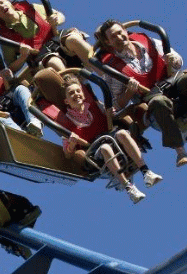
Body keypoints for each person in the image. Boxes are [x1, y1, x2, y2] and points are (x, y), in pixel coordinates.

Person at [94, 18, 187, 167]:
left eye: (120, 33)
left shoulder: (146, 40)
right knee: (159, 102)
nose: (119, 38)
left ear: (125, 31)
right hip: (151, 99)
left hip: (171, 83)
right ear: (108, 43)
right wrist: (128, 92)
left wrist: (174, 61)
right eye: (113, 37)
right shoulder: (112, 69)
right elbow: (117, 104)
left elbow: (176, 59)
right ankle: (180, 151)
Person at [38, 70, 157, 201]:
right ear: (66, 101)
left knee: (122, 133)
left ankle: (146, 172)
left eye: (78, 91)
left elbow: (111, 113)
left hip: (110, 135)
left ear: (83, 94)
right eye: (71, 93)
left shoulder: (94, 105)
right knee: (105, 148)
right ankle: (129, 187)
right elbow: (67, 153)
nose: (76, 94)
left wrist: (111, 113)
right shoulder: (65, 120)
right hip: (95, 148)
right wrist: (72, 142)